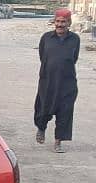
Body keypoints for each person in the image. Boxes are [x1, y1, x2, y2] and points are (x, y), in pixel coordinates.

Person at [34, 8, 80, 153]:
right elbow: (43, 56)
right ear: (54, 22)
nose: (60, 25)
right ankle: (41, 128)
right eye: (58, 21)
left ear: (69, 23)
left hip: (67, 83)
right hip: (47, 81)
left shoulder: (75, 39)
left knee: (65, 112)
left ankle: (58, 142)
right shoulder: (46, 37)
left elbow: (74, 58)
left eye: (63, 22)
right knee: (43, 109)